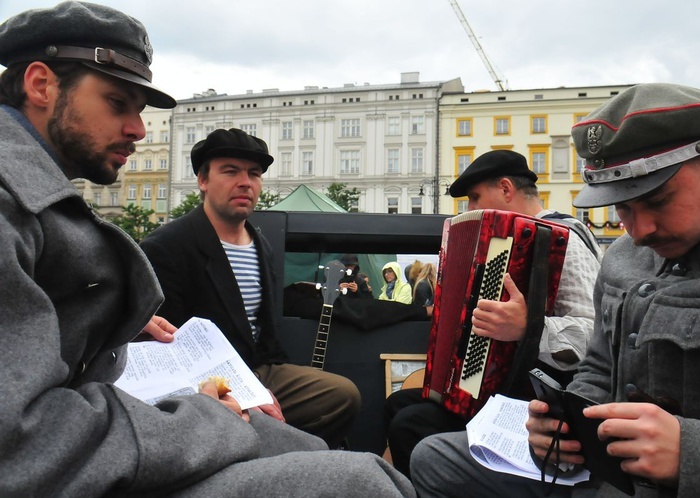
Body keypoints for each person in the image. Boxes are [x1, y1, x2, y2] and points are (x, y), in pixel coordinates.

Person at [0, 3, 414, 497]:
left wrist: (116, 326)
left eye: (254, 174)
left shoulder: (41, 203)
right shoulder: (24, 207)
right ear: (41, 85)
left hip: (141, 415)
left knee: (328, 453)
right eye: (117, 103)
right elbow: (21, 441)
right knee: (363, 483)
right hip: (129, 428)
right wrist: (208, 417)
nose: (138, 130)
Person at [412, 82, 700, 498]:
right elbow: (598, 368)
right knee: (432, 457)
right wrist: (562, 419)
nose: (638, 232)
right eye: (622, 208)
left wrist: (694, 452)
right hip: (595, 468)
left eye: (659, 200)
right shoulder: (622, 255)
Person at [386, 148, 601, 479]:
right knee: (398, 405)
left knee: (409, 423)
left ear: (505, 189)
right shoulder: (498, 240)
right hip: (494, 390)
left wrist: (529, 328)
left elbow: (595, 336)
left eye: (474, 198)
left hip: (540, 404)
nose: (469, 209)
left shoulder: (565, 238)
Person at [140, 127, 361, 449]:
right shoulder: (168, 245)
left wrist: (260, 385)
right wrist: (244, 392)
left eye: (254, 174)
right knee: (267, 425)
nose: (245, 182)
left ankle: (288, 462)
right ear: (203, 181)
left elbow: (263, 332)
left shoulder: (261, 244)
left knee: (343, 395)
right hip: (200, 381)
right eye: (230, 172)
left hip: (257, 367)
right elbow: (167, 346)